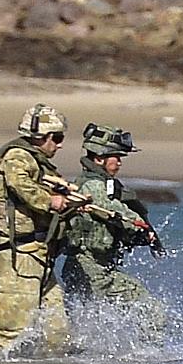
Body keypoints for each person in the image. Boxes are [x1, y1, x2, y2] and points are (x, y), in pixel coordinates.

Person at [0, 104, 79, 358]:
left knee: (56, 327)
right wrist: (51, 201)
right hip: (21, 253)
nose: (60, 145)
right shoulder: (18, 157)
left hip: (37, 252)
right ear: (41, 137)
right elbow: (19, 183)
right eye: (57, 138)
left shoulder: (36, 161)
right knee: (10, 328)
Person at [60, 123, 166, 334]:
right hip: (91, 268)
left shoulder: (102, 184)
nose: (119, 162)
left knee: (82, 321)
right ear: (99, 159)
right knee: (152, 310)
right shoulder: (93, 186)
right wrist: (143, 228)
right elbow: (113, 209)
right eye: (115, 157)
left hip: (89, 267)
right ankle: (148, 355)